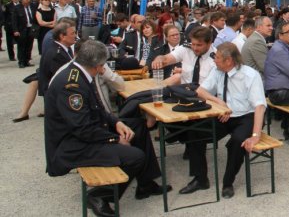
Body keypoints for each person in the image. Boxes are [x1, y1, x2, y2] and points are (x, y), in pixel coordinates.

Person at [44, 40, 169, 217]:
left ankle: (145, 184)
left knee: (137, 126)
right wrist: (116, 139)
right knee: (135, 157)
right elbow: (82, 129)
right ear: (99, 65)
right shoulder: (71, 85)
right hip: (73, 144)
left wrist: (117, 123)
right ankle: (99, 195)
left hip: (87, 132)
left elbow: (99, 109)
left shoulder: (81, 73)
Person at [181, 43, 266, 199]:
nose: (214, 60)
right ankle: (200, 179)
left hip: (246, 116)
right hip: (223, 114)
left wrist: (255, 135)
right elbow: (200, 91)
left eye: (218, 58)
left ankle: (228, 183)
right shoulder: (218, 71)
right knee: (195, 132)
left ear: (229, 61)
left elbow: (259, 107)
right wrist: (219, 102)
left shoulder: (250, 75)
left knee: (237, 141)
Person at [151, 26, 216, 85]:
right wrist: (159, 59)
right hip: (184, 92)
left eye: (199, 45)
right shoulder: (186, 49)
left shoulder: (216, 58)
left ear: (209, 43)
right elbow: (166, 59)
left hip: (204, 95)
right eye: (193, 44)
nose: (195, 48)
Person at [12, 0, 35, 68]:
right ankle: (21, 62)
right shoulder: (17, 8)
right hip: (21, 29)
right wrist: (15, 30)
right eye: (25, 2)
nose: (27, 3)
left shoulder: (31, 7)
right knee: (22, 46)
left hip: (30, 28)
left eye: (28, 2)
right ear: (22, 1)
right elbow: (14, 20)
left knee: (29, 46)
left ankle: (27, 60)